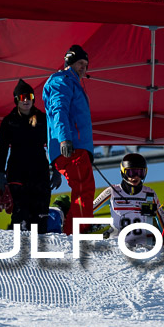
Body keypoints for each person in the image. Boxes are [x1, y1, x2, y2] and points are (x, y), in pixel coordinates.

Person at [43, 44, 95, 235]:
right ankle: (79, 231)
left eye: (86, 64)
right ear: (70, 62)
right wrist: (65, 139)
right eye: (80, 63)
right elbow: (59, 109)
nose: (83, 67)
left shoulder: (71, 82)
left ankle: (75, 229)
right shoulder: (62, 81)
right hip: (72, 146)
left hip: (77, 146)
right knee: (83, 186)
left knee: (83, 186)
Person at [0, 79, 51, 233]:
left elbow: (53, 144)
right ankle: (19, 253)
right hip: (17, 174)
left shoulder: (43, 119)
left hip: (40, 173)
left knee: (40, 219)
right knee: (21, 218)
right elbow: (2, 149)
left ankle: (40, 254)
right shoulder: (8, 122)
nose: (26, 100)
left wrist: (57, 170)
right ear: (16, 100)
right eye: (22, 97)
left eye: (29, 96)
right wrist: (0, 173)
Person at [92, 153, 164, 246]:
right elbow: (90, 209)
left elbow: (162, 217)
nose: (135, 177)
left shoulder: (149, 194)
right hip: (117, 247)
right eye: (131, 172)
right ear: (123, 172)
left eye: (140, 172)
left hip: (143, 248)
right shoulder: (112, 191)